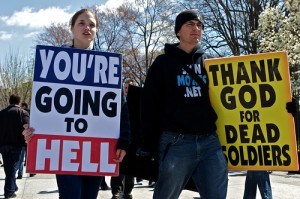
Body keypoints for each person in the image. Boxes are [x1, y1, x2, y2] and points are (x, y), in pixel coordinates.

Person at [22, 8, 131, 199]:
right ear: (71, 28)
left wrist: (124, 141)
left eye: (92, 25)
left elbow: (121, 108)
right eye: (81, 23)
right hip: (64, 151)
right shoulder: (53, 62)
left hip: (97, 150)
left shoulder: (108, 66)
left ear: (96, 30)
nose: (87, 28)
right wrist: (33, 130)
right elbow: (46, 107)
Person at [140, 9, 228, 199]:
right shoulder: (162, 63)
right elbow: (148, 104)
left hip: (210, 142)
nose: (196, 28)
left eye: (199, 25)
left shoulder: (211, 64)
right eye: (190, 24)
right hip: (176, 142)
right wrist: (148, 143)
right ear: (178, 31)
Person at [0, 94, 30, 199]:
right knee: (13, 167)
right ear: (19, 102)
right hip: (17, 145)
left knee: (9, 167)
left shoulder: (2, 113)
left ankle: (13, 186)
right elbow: (27, 127)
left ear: (9, 101)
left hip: (3, 145)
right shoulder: (22, 113)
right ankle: (9, 191)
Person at [110, 79, 135, 199]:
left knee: (130, 171)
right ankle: (117, 191)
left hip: (134, 141)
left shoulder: (138, 102)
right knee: (118, 167)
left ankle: (128, 192)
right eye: (125, 87)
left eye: (129, 88)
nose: (126, 90)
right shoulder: (119, 101)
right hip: (121, 139)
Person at [16, 102, 33, 179]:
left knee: (21, 158)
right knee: (30, 156)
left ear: (24, 106)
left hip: (23, 140)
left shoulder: (21, 114)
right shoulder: (31, 114)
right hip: (31, 139)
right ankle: (32, 171)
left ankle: (20, 173)